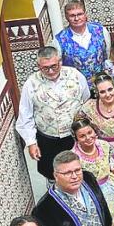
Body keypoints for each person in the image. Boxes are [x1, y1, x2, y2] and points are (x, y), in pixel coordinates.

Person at [17, 47, 89, 178]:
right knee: (52, 173)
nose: (50, 71)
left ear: (60, 62)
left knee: (80, 170)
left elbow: (86, 100)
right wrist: (31, 143)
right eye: (45, 68)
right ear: (38, 66)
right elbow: (25, 115)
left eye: (54, 66)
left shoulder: (75, 75)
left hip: (75, 137)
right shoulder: (31, 84)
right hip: (48, 139)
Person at [71, 117, 114, 214]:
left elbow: (112, 168)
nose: (88, 138)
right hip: (91, 192)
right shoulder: (74, 157)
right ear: (76, 139)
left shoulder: (104, 145)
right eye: (82, 136)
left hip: (112, 185)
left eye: (90, 132)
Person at [52, 0, 110, 84]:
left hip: (101, 84)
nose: (76, 18)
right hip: (76, 86)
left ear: (85, 14)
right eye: (72, 15)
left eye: (79, 14)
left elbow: (107, 54)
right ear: (66, 17)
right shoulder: (59, 40)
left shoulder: (100, 30)